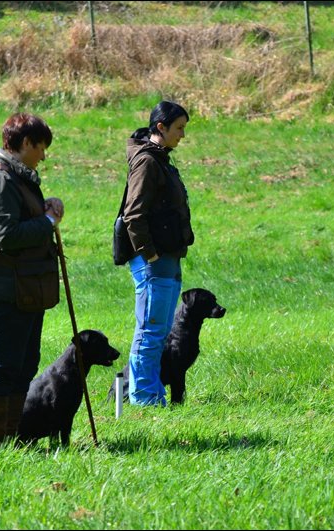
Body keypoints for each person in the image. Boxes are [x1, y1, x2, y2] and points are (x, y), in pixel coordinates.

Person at [0, 112, 64, 452]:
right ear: (25, 143)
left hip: (24, 287)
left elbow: (18, 218)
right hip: (4, 290)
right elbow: (6, 235)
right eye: (41, 147)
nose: (44, 156)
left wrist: (43, 210)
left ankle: (13, 441)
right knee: (1, 367)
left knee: (24, 365)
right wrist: (47, 221)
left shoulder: (17, 176)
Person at [121, 101, 194, 406]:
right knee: (150, 331)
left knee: (159, 330)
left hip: (168, 258)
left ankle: (148, 392)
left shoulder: (160, 159)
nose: (182, 135)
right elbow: (133, 214)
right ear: (160, 127)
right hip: (154, 261)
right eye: (179, 128)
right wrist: (149, 254)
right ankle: (143, 396)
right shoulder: (147, 162)